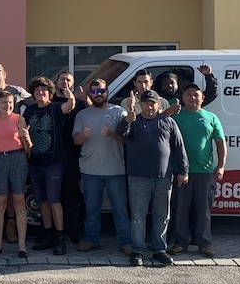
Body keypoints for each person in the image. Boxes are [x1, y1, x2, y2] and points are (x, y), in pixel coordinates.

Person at [113, 91, 188, 267]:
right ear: (141, 104)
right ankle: (138, 251)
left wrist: (184, 171)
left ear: (158, 104)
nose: (149, 107)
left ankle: (159, 250)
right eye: (145, 103)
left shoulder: (168, 122)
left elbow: (179, 148)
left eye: (152, 103)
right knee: (138, 217)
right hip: (138, 177)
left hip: (163, 177)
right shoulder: (134, 121)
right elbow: (121, 133)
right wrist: (126, 120)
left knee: (162, 216)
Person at [72, 78, 132, 254]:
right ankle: (92, 240)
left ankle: (125, 242)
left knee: (120, 209)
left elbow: (128, 139)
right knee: (91, 209)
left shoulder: (119, 113)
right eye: (95, 91)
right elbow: (75, 140)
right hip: (90, 170)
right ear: (90, 94)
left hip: (115, 170)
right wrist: (83, 135)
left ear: (107, 92)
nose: (98, 94)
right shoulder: (82, 115)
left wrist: (112, 135)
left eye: (102, 91)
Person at [168, 82, 226, 257]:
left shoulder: (211, 117)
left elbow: (220, 143)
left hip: (205, 172)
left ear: (202, 98)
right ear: (183, 98)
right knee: (180, 210)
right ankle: (180, 243)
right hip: (180, 171)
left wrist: (221, 165)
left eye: (196, 94)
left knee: (203, 211)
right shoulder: (175, 117)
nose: (192, 97)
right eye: (188, 94)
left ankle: (204, 244)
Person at [21, 75, 76, 255]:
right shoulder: (29, 111)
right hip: (35, 162)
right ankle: (48, 233)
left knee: (54, 200)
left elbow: (69, 106)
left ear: (50, 93)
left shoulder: (55, 108)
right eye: (37, 90)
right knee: (41, 201)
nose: (40, 92)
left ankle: (60, 236)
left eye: (44, 89)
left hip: (54, 162)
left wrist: (70, 95)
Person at [0, 89, 32, 259]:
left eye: (10, 103)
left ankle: (22, 246)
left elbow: (27, 148)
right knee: (0, 201)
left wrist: (26, 138)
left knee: (18, 201)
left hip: (17, 158)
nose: (7, 106)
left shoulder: (19, 119)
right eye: (4, 102)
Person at [54, 69, 85, 246]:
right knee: (52, 197)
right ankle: (52, 232)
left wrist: (84, 100)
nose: (65, 82)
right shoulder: (49, 102)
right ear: (56, 82)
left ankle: (72, 231)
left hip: (72, 155)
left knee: (71, 195)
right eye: (62, 79)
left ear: (72, 84)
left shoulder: (79, 104)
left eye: (68, 80)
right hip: (52, 155)